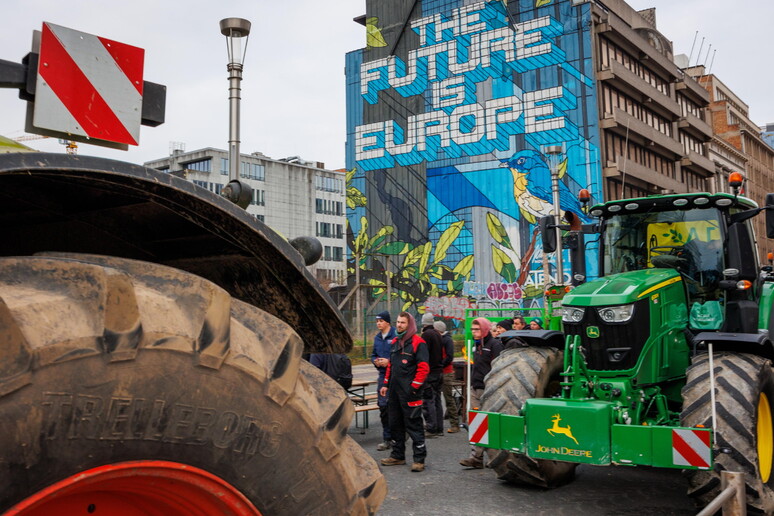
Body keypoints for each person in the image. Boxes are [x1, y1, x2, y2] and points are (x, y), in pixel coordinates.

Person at [380, 312, 429, 472]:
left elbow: (423, 368)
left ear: (410, 325)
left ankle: (419, 459)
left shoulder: (418, 343)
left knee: (414, 425)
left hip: (410, 393)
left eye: (403, 323)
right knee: (395, 424)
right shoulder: (395, 342)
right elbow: (390, 366)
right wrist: (385, 384)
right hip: (394, 393)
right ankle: (398, 455)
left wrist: (413, 387)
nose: (399, 325)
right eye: (398, 322)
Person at [460, 317, 504, 469]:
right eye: (472, 329)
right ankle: (476, 458)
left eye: (477, 329)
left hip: (488, 389)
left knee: (491, 423)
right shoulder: (476, 346)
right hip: (475, 388)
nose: (474, 332)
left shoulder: (494, 345)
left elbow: (498, 368)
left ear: (485, 330)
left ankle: (496, 457)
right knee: (477, 422)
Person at [371, 310, 396, 451]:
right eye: (377, 321)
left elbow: (401, 355)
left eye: (381, 321)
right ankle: (387, 438)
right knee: (383, 407)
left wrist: (389, 361)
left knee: (396, 408)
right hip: (382, 376)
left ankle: (399, 435)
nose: (378, 324)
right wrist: (376, 361)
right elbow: (373, 354)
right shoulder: (377, 338)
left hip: (396, 376)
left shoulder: (396, 336)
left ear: (387, 322)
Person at [420, 312, 445, 437]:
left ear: (423, 322)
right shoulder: (437, 334)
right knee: (437, 401)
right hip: (439, 371)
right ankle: (439, 428)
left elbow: (424, 354)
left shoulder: (426, 335)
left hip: (429, 373)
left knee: (428, 401)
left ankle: (431, 428)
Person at [435, 320, 460, 433]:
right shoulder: (439, 339)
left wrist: (440, 365)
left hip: (446, 372)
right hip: (440, 371)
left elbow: (450, 357)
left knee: (448, 398)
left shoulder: (447, 340)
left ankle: (455, 424)